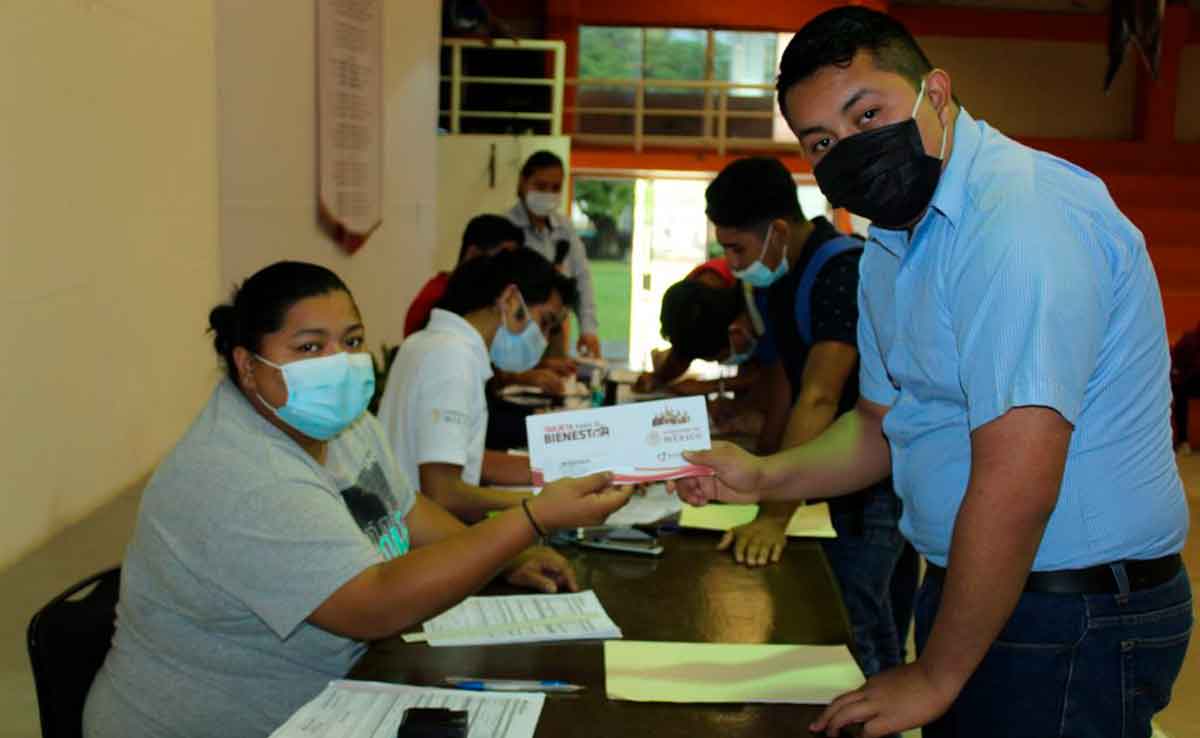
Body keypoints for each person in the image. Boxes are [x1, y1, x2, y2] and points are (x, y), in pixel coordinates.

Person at [674, 8, 1191, 738]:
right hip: (982, 595)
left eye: (868, 113)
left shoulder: (1020, 221)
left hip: (1074, 613)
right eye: (822, 140)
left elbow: (1018, 482)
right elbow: (880, 428)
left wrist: (936, 674)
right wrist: (763, 478)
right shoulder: (894, 242)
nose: (848, 147)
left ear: (937, 93)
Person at [83, 261, 631, 738]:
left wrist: (506, 559)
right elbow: (371, 604)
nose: (340, 362)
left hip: (333, 694)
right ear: (248, 366)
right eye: (309, 347)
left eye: (350, 341)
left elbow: (409, 511)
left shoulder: (341, 425)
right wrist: (529, 521)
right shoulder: (241, 474)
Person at [703, 156, 916, 683]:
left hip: (874, 479)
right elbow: (783, 384)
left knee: (858, 618)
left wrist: (775, 513)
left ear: (777, 230)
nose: (732, 263)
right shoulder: (779, 278)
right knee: (835, 608)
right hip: (827, 466)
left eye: (737, 249)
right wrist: (765, 472)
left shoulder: (843, 269)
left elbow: (820, 395)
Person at [379, 249, 577, 522]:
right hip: (426, 544)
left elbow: (461, 458)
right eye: (544, 322)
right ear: (509, 300)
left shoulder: (430, 343)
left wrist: (562, 468)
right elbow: (443, 493)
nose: (542, 340)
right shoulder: (452, 357)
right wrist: (541, 504)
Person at [507, 150, 602, 358]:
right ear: (523, 183)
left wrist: (588, 330)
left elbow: (582, 279)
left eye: (555, 188)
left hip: (553, 331)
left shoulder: (564, 228)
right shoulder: (507, 229)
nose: (548, 194)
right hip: (514, 332)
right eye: (540, 186)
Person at [403, 213, 523, 337]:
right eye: (503, 258)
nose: (509, 268)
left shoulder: (485, 296)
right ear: (473, 255)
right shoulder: (434, 300)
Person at [1172, 321, 1200, 454]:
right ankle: (1183, 441)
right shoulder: (1188, 341)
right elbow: (1176, 369)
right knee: (1180, 392)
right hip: (1187, 382)